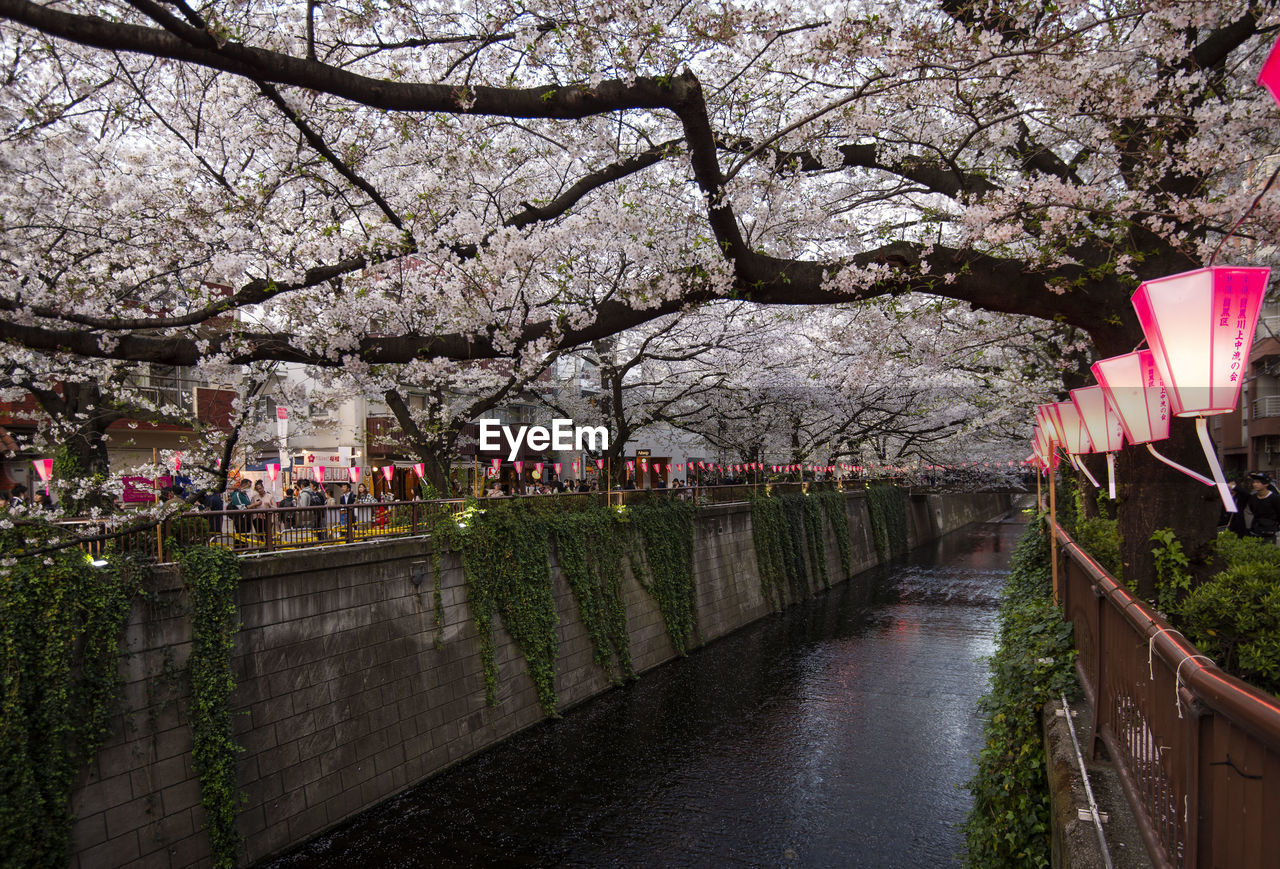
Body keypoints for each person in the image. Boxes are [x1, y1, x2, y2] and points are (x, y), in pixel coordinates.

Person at [1247, 472, 1280, 543]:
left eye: (1258, 482)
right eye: (1254, 482)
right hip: (1255, 529)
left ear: (1266, 484)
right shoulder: (1253, 498)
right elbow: (1253, 510)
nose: (1255, 484)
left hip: (1269, 530)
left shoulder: (1274, 498)